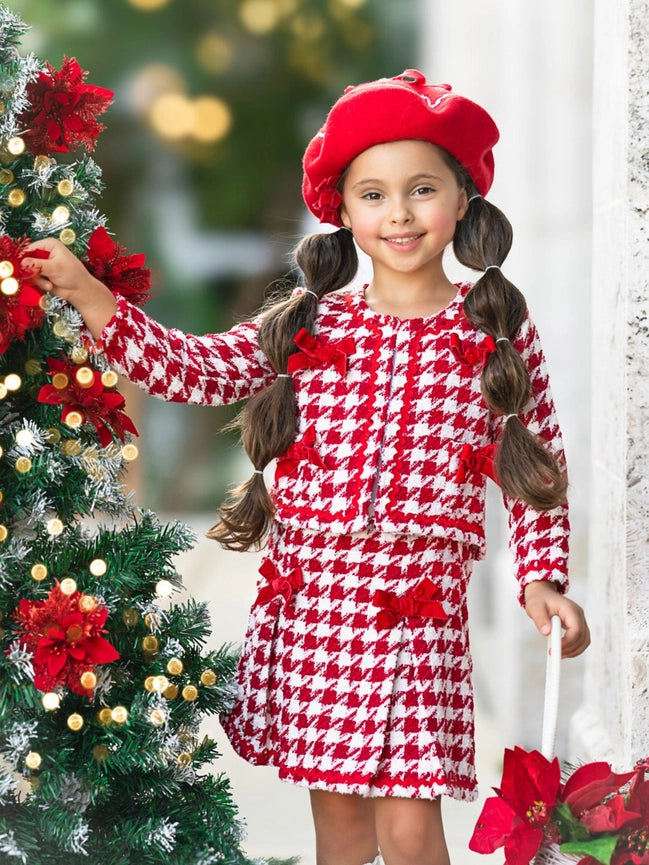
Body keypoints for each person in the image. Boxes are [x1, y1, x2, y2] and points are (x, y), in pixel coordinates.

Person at [23, 69, 590, 865]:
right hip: (316, 597)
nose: (398, 213)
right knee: (345, 829)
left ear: (462, 199)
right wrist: (91, 298)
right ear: (343, 212)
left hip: (417, 608)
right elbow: (195, 367)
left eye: (421, 189)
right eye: (373, 194)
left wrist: (542, 577)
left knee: (408, 821)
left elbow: (533, 455)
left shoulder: (491, 325)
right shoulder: (309, 324)